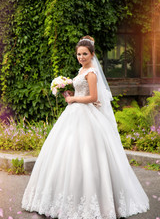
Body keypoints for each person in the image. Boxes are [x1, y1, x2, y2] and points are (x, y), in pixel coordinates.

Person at [22, 36, 149, 219]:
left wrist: (73, 99)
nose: (81, 57)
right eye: (79, 54)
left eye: (85, 54)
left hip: (85, 113)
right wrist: (70, 92)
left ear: (92, 54)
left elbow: (93, 97)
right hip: (74, 113)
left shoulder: (91, 73)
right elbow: (84, 92)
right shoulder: (82, 69)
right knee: (66, 152)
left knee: (88, 154)